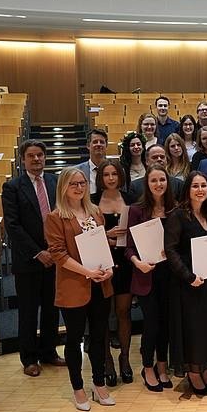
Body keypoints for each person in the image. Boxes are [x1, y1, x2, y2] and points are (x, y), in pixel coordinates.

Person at [43, 167, 114, 411]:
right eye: (73, 184)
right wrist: (88, 272)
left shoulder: (95, 211)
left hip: (100, 284)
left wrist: (109, 269)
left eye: (82, 183)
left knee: (98, 336)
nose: (79, 187)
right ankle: (78, 388)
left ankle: (99, 383)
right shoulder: (55, 217)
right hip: (74, 285)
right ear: (63, 187)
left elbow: (103, 245)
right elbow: (59, 255)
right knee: (74, 340)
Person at [2, 140, 65, 377]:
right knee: (28, 311)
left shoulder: (54, 182)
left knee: (51, 307)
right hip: (29, 260)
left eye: (40, 155)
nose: (36, 159)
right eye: (31, 156)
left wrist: (55, 250)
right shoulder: (12, 187)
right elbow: (13, 226)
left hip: (55, 256)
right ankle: (29, 358)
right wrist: (38, 252)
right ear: (23, 159)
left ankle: (49, 352)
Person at [165, 171, 207, 396]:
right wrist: (188, 276)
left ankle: (203, 368)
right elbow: (171, 250)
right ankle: (193, 371)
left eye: (204, 185)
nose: (200, 190)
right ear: (187, 190)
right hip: (187, 284)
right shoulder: (178, 216)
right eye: (195, 186)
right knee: (192, 329)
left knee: (206, 327)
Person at [125, 165, 175, 393]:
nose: (158, 184)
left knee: (166, 323)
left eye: (162, 180)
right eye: (154, 180)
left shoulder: (174, 209)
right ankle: (147, 367)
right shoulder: (136, 210)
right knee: (152, 324)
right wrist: (138, 263)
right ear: (147, 183)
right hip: (146, 275)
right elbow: (129, 247)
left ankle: (162, 366)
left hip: (170, 276)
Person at [90, 160, 135, 387]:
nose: (110, 178)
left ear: (120, 176)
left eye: (114, 174)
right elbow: (85, 236)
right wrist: (106, 235)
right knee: (104, 314)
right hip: (102, 263)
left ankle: (125, 358)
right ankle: (107, 360)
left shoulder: (130, 198)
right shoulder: (92, 201)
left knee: (124, 312)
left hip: (126, 262)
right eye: (106, 174)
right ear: (101, 178)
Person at [77, 128, 109, 195]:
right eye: (95, 142)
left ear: (106, 146)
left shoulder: (116, 171)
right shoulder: (77, 171)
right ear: (88, 145)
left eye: (102, 142)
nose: (99, 144)